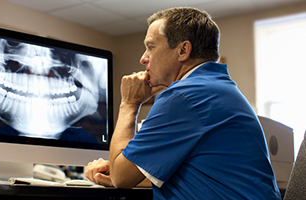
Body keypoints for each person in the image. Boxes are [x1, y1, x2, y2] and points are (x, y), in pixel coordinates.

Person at [85, 7, 281, 200]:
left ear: (183, 50)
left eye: (151, 47)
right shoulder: (216, 88)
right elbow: (189, 173)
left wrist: (129, 103)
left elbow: (121, 178)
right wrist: (133, 168)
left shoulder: (183, 97)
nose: (143, 58)